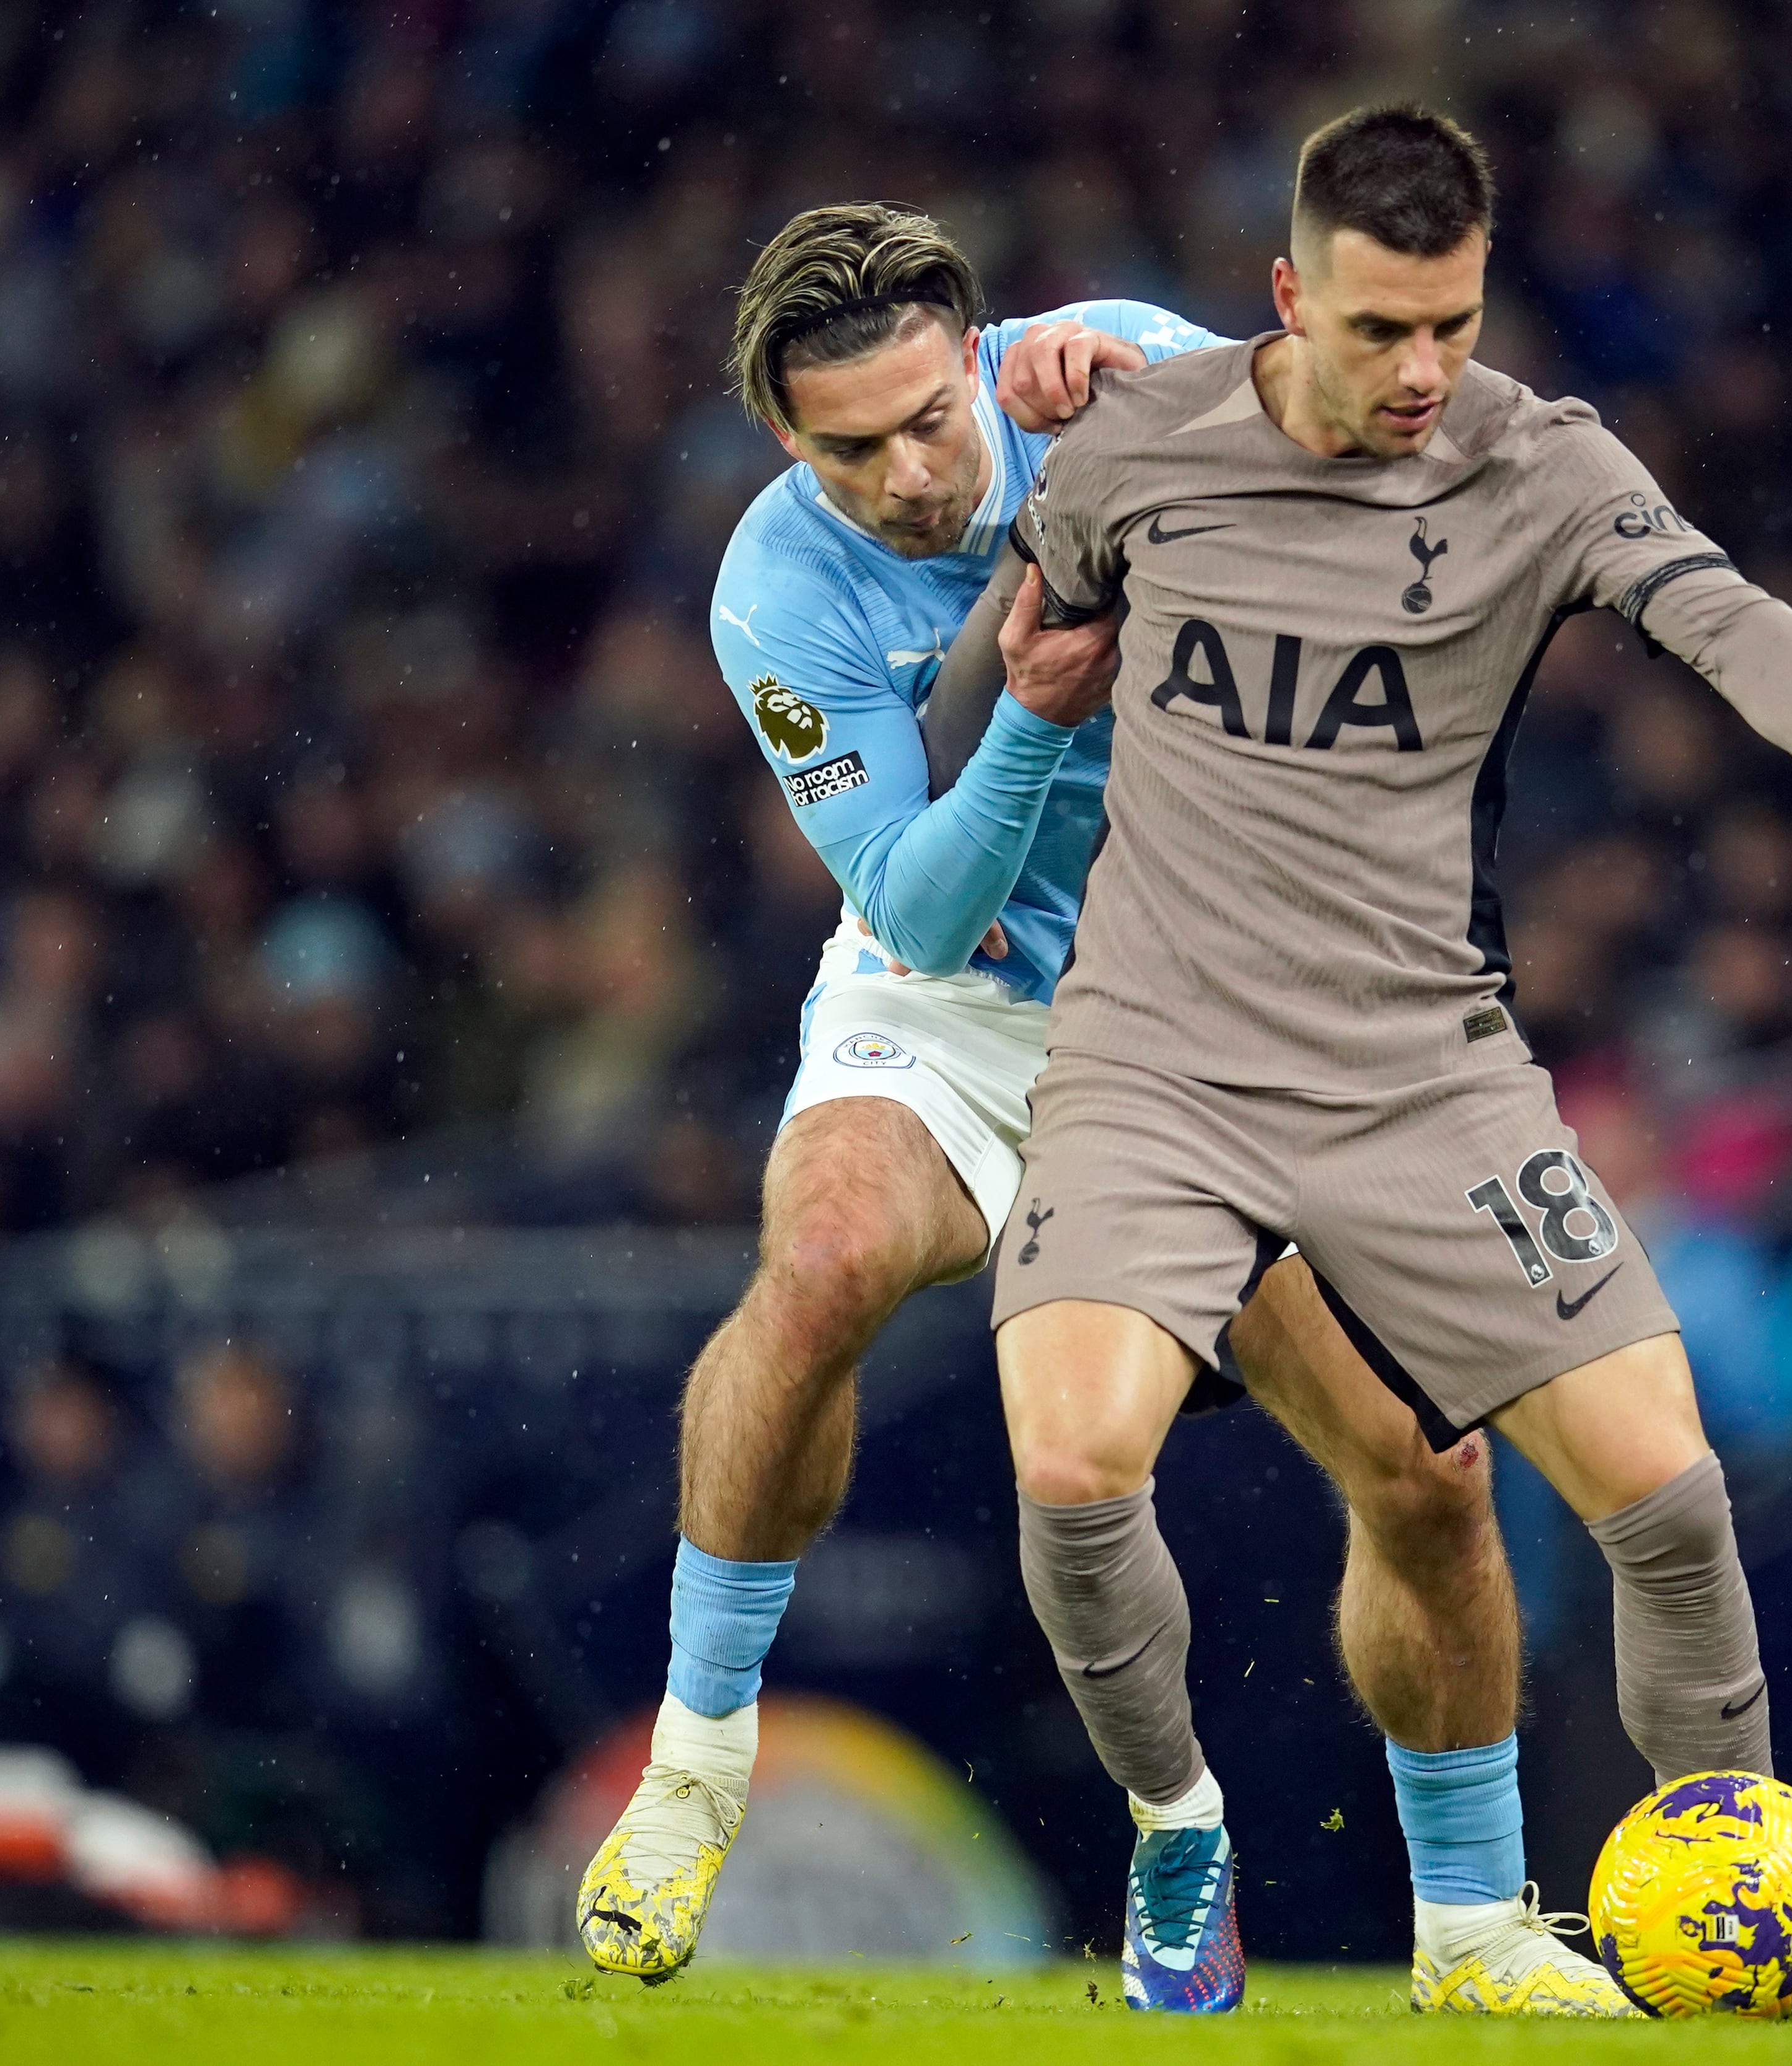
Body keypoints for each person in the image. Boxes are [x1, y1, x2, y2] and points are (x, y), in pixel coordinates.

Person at [962, 105, 1792, 2018]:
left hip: (1419, 1077)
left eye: (1451, 320)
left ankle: (1752, 1905)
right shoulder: (1139, 443)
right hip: (1153, 1068)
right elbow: (998, 661)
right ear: (1286, 299)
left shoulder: (1535, 465)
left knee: (1666, 1492)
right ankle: (1181, 1839)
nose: (1422, 370)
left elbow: (1719, 613)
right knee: (1069, 1459)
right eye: (1378, 330)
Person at [574, 204, 1550, 2011]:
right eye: (846, 446)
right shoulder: (777, 590)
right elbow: (922, 904)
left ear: (976, 348)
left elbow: (1377, 493)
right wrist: (1025, 718)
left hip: (1207, 1018)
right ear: (786, 439)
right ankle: (695, 1767)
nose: (907, 474)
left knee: (1428, 1470)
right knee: (828, 1259)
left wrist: (1185, 403)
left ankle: (1477, 1930)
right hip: (952, 1003)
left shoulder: (1109, 364)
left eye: (930, 418)